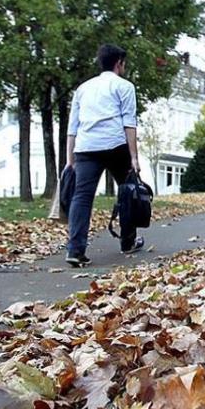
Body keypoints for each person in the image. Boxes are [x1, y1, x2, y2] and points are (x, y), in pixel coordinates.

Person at [65, 44, 145, 267]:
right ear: (119, 63)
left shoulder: (83, 89)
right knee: (128, 191)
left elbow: (73, 127)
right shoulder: (125, 86)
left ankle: (75, 249)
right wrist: (134, 158)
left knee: (81, 197)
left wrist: (69, 160)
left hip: (86, 147)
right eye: (124, 63)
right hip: (115, 144)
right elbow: (129, 123)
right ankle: (128, 241)